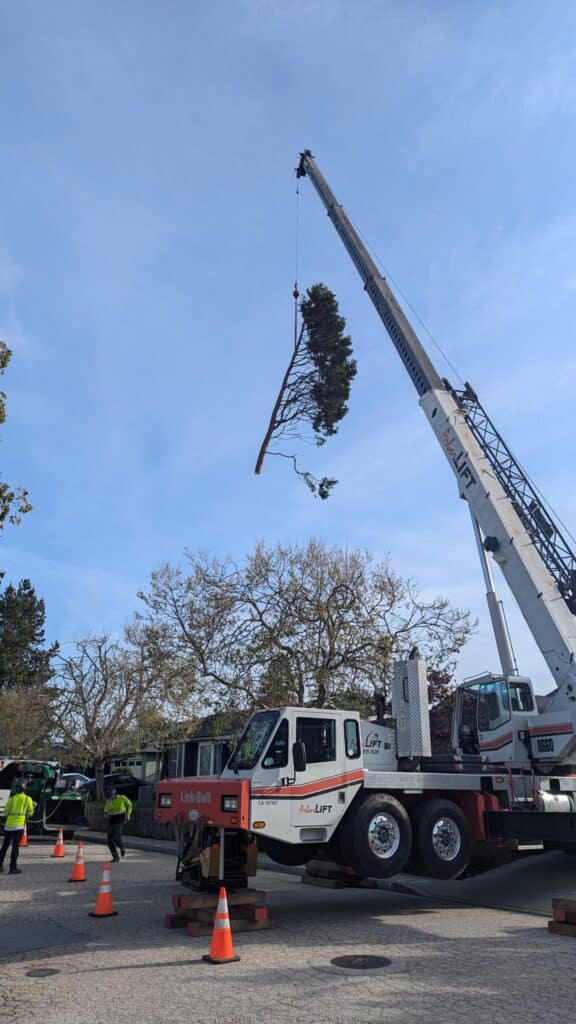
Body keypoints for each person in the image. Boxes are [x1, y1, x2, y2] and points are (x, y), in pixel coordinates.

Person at [0, 780, 35, 875]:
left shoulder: (11, 799)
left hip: (8, 826)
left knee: (4, 846)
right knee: (15, 847)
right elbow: (30, 812)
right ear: (24, 789)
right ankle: (13, 867)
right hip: (18, 826)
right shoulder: (27, 799)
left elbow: (6, 812)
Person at [103, 786, 132, 862]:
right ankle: (116, 857)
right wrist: (106, 815)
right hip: (112, 819)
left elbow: (129, 805)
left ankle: (122, 847)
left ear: (115, 794)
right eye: (108, 797)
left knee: (116, 837)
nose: (110, 799)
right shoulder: (108, 801)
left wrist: (128, 814)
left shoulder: (122, 798)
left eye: (111, 797)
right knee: (109, 840)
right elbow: (105, 812)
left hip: (120, 818)